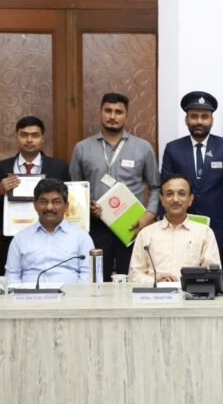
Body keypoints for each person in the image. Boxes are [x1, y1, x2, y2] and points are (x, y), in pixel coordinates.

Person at [69, 92, 160, 281]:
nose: (112, 116)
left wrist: (149, 215)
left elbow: (156, 186)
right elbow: (75, 189)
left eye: (118, 112)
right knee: (95, 279)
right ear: (100, 113)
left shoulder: (143, 148)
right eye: (108, 111)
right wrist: (87, 208)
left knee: (133, 278)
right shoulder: (82, 148)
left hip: (132, 227)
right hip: (96, 227)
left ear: (126, 116)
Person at [161, 91, 223, 258]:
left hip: (217, 230)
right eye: (194, 116)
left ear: (211, 119)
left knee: (215, 277)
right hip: (180, 227)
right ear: (186, 119)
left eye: (204, 116)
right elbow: (165, 191)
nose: (199, 121)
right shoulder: (173, 149)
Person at [0, 115, 71, 273]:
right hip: (12, 237)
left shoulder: (58, 168)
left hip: (50, 236)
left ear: (43, 139)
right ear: (16, 137)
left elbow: (67, 203)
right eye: (24, 135)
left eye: (35, 135)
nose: (29, 140)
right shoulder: (1, 167)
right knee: (11, 283)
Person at [128, 174, 220, 283]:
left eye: (181, 194)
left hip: (190, 297)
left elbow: (213, 274)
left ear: (190, 199)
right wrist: (155, 281)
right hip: (154, 296)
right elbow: (134, 275)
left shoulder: (204, 232)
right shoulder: (146, 233)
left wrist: (185, 282)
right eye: (169, 194)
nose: (175, 199)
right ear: (161, 200)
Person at [5, 179, 94, 284]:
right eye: (43, 202)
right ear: (35, 205)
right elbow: (12, 275)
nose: (49, 207)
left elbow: (88, 275)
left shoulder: (81, 237)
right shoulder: (20, 238)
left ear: (66, 206)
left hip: (69, 298)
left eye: (56, 202)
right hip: (28, 298)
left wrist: (75, 298)